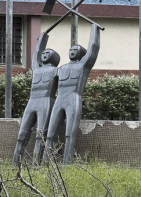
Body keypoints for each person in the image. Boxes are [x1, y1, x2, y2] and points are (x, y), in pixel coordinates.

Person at [41, 23, 101, 165]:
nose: (72, 51)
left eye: (75, 49)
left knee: (69, 133)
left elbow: (93, 49)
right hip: (59, 99)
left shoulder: (82, 66)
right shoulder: (60, 69)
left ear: (81, 53)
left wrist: (95, 29)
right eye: (71, 49)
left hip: (73, 99)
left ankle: (66, 163)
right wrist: (42, 39)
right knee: (50, 134)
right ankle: (44, 162)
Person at [12, 31, 60, 165]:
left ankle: (36, 163)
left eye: (47, 53)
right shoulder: (37, 68)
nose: (44, 55)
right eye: (44, 53)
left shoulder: (56, 70)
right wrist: (43, 37)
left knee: (40, 135)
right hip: (32, 101)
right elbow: (35, 54)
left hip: (46, 101)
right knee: (22, 134)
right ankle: (15, 161)